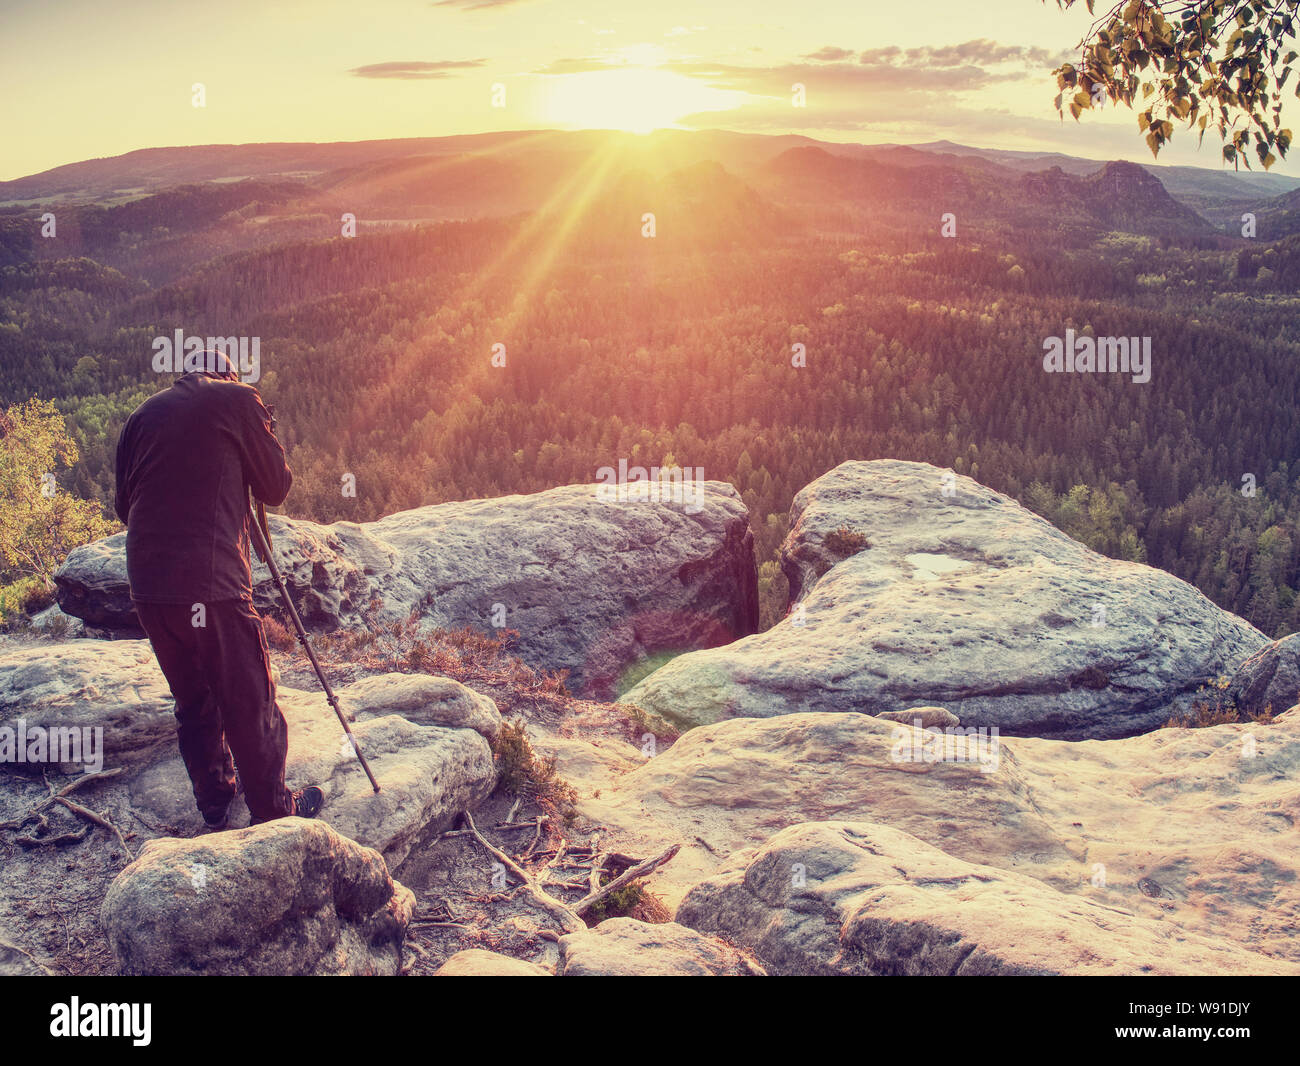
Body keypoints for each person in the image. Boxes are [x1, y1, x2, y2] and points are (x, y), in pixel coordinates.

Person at [114, 350, 324, 831]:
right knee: (249, 697)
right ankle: (274, 811)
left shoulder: (141, 415)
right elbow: (275, 487)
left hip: (147, 586)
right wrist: (261, 430)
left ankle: (214, 800)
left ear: (183, 375)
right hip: (211, 585)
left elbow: (125, 506)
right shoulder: (238, 399)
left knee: (193, 697)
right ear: (227, 374)